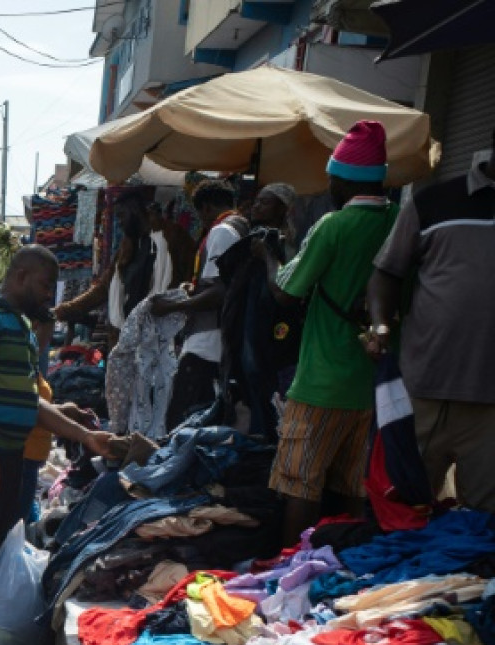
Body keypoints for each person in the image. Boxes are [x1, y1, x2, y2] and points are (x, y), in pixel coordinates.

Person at [0, 246, 114, 645]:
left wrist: (85, 436)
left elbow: (30, 401)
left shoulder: (20, 327)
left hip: (8, 457)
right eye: (45, 284)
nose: (50, 294)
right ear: (21, 276)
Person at [260, 120, 399, 545]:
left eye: (331, 176)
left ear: (343, 179)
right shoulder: (397, 220)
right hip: (368, 385)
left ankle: (287, 573)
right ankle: (337, 567)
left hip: (320, 382)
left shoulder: (333, 226)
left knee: (300, 485)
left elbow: (285, 292)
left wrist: (267, 257)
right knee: (349, 489)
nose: (328, 185)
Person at [367, 125, 495, 512]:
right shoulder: (434, 201)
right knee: (402, 509)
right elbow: (387, 273)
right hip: (422, 388)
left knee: (481, 525)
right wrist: (380, 326)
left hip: (489, 402)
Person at [154, 179, 249, 428]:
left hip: (206, 342)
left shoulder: (220, 232)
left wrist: (171, 307)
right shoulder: (242, 228)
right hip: (223, 340)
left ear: (206, 209)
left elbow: (219, 292)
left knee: (181, 420)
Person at [216, 182, 298, 440]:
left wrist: (266, 256)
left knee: (261, 375)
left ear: (282, 209)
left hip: (270, 328)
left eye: (265, 202)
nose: (257, 207)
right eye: (257, 201)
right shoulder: (254, 240)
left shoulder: (285, 245)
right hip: (248, 323)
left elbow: (286, 287)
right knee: (248, 374)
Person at [55, 192, 171, 332]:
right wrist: (65, 310)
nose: (119, 222)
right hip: (128, 334)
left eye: (122, 216)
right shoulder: (127, 246)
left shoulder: (170, 239)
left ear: (134, 210)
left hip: (159, 333)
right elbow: (104, 287)